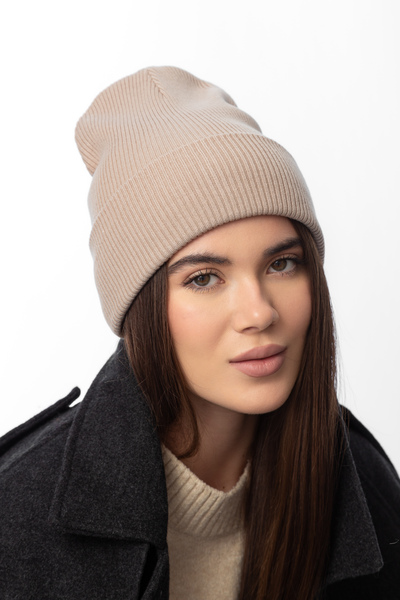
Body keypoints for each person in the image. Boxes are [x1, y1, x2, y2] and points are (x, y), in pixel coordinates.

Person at [0, 66, 399, 600]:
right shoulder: (18, 513)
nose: (258, 313)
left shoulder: (362, 485)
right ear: (139, 307)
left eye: (281, 264)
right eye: (204, 278)